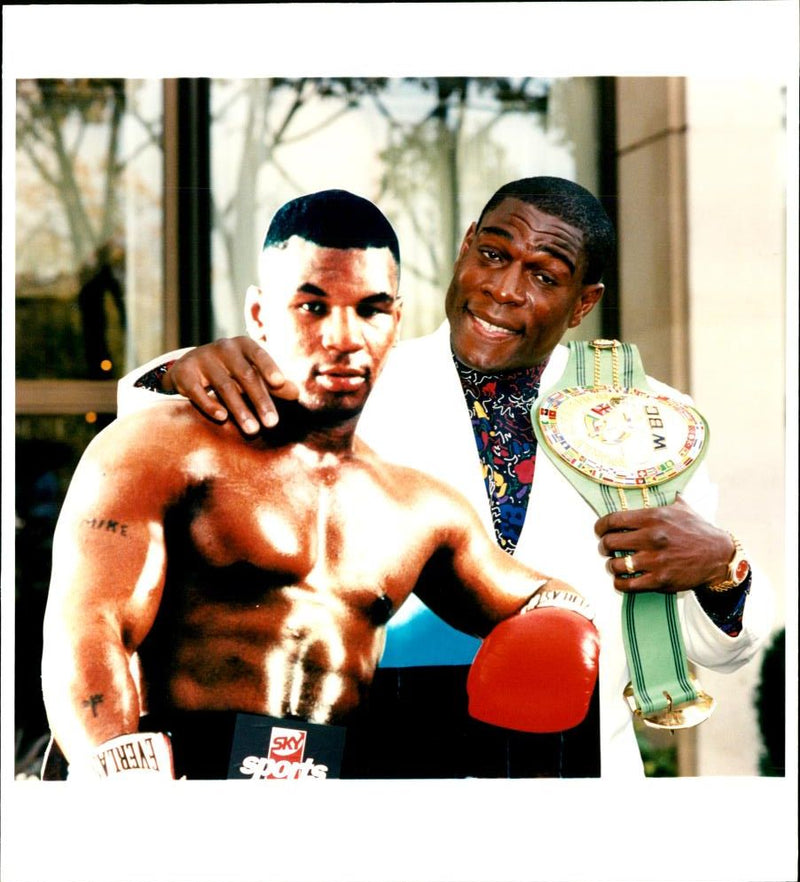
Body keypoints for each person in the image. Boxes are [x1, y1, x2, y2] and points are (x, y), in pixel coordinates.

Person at [118, 177, 775, 778]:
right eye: (493, 255)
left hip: (574, 794)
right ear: (466, 248)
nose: (505, 288)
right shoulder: (352, 380)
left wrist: (723, 569)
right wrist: (180, 373)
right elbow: (156, 447)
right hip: (373, 775)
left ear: (584, 303)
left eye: (544, 275)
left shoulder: (644, 421)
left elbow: (713, 650)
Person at [41, 189, 599, 781]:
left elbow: (543, 599)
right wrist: (120, 777)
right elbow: (90, 625)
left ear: (396, 320)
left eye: (370, 309)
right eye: (312, 308)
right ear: (260, 315)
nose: (343, 336)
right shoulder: (163, 450)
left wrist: (562, 631)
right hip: (173, 790)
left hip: (331, 805)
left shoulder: (419, 508)